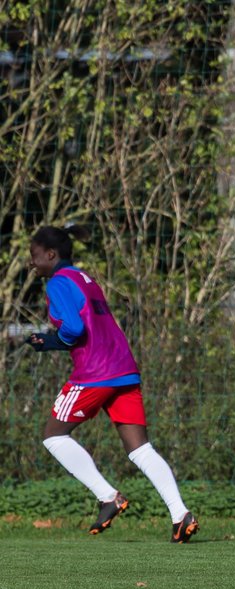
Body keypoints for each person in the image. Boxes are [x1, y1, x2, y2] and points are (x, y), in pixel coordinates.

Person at [26, 224, 198, 542]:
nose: (31, 263)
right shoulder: (84, 278)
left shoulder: (58, 282)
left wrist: (50, 340)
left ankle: (108, 497)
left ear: (51, 255)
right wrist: (51, 342)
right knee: (140, 448)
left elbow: (75, 330)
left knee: (53, 436)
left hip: (95, 373)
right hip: (123, 368)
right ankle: (180, 514)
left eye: (34, 256)